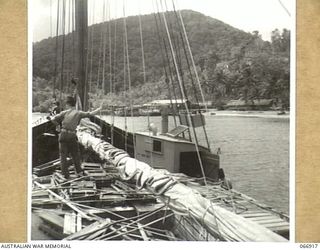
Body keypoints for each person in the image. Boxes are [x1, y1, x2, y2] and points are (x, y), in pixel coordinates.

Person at [48, 96, 103, 179]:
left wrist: (58, 126)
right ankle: (79, 172)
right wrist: (99, 109)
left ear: (67, 104)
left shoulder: (64, 112)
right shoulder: (78, 113)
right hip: (71, 135)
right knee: (75, 154)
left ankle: (65, 174)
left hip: (63, 134)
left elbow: (53, 119)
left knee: (63, 156)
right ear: (74, 104)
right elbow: (90, 114)